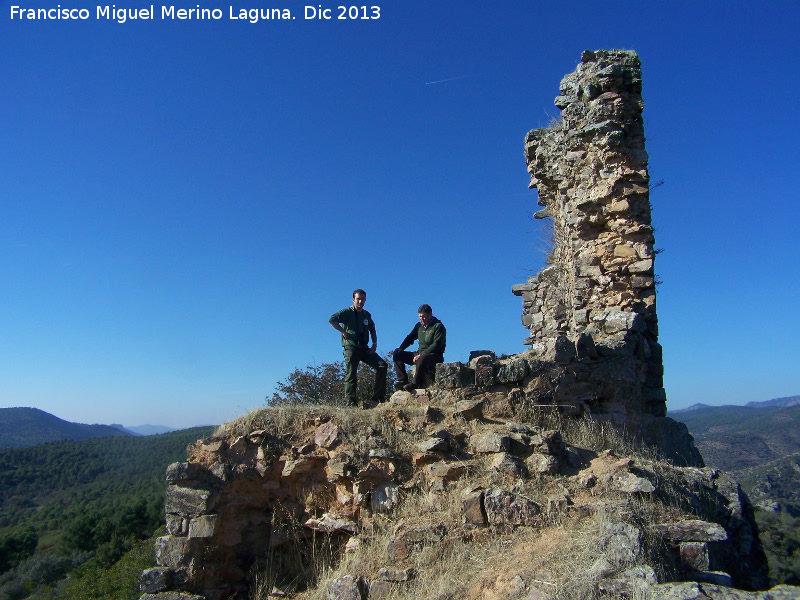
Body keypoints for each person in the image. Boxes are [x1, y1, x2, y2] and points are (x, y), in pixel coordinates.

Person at [329, 289, 387, 407]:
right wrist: (343, 331)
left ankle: (377, 398)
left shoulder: (367, 315)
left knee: (382, 365)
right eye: (358, 299)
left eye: (363, 299)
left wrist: (374, 345)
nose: (360, 301)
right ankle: (351, 403)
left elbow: (372, 329)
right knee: (351, 375)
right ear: (353, 299)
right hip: (351, 347)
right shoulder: (347, 312)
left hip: (364, 348)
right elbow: (332, 320)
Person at [392, 304, 446, 391]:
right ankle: (402, 380)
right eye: (420, 316)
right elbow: (410, 338)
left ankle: (414, 383)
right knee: (397, 354)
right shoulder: (419, 326)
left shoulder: (438, 326)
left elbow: (437, 345)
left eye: (424, 316)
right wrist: (401, 348)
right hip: (420, 353)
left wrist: (421, 354)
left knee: (422, 358)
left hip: (434, 355)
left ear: (430, 315)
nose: (421, 319)